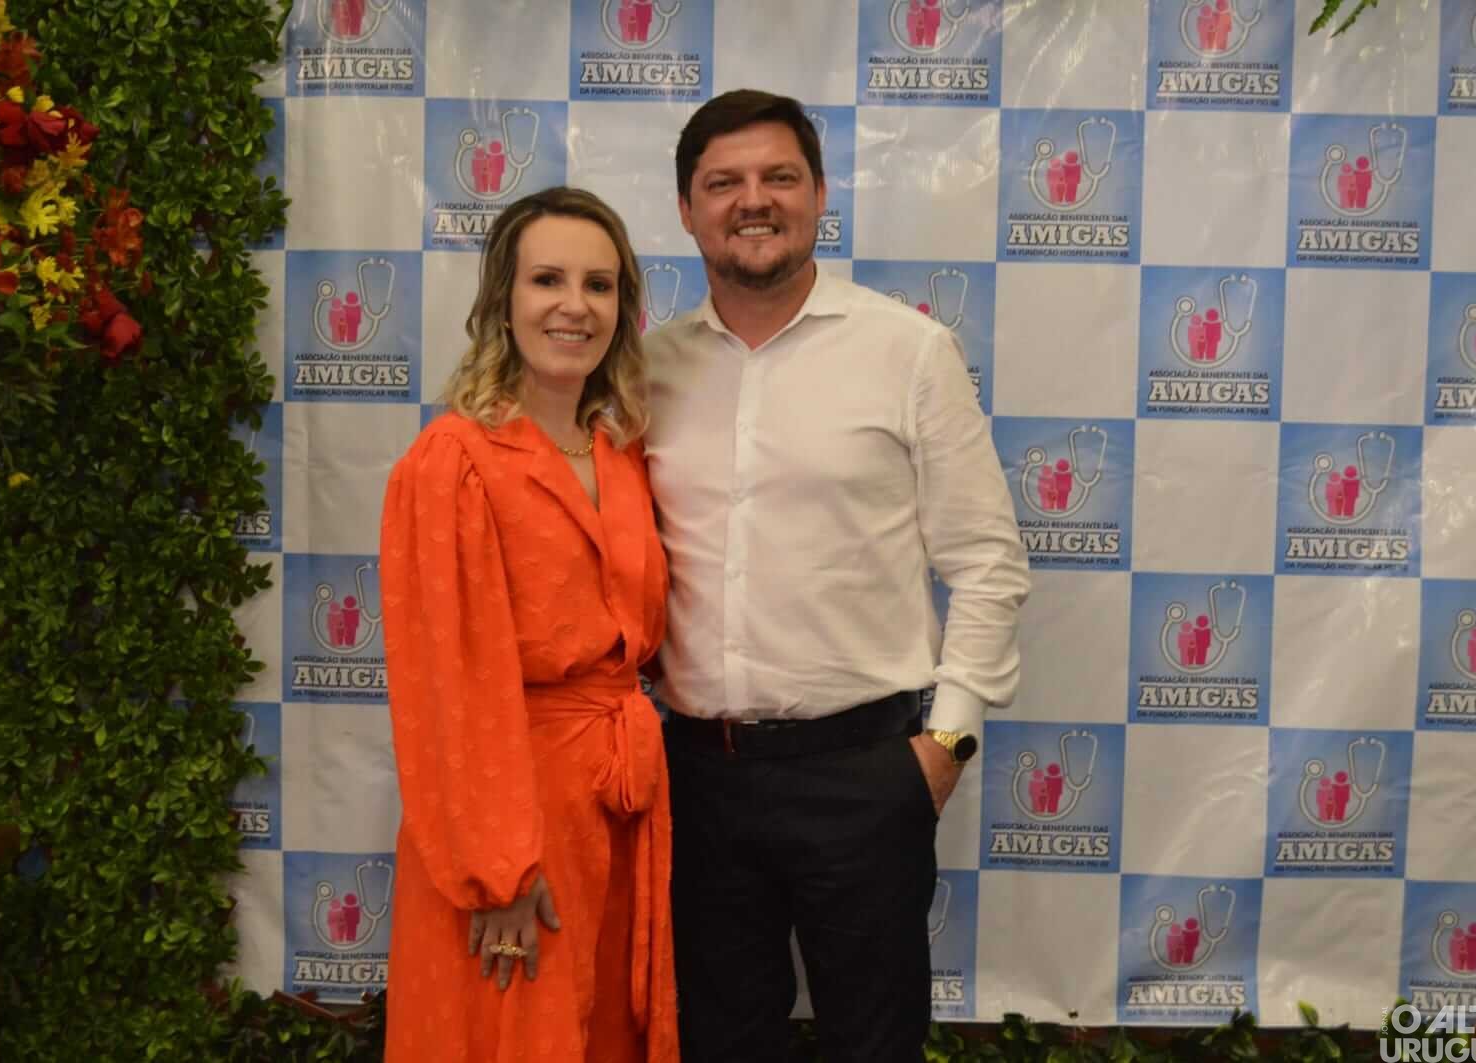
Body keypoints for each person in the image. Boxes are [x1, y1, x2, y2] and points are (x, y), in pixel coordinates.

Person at [641, 89, 1031, 1063]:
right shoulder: (644, 370)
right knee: (717, 1042)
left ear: (820, 194)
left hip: (865, 775)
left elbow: (987, 561)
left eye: (779, 176)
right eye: (722, 183)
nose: (753, 200)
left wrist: (946, 745)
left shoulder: (908, 351)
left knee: (873, 1042)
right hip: (694, 777)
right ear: (686, 208)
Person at [378, 186, 677, 1063]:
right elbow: (447, 685)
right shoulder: (453, 461)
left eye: (599, 284)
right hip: (510, 821)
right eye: (548, 279)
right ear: (502, 300)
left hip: (619, 810)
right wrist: (498, 869)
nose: (574, 306)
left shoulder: (622, 454)